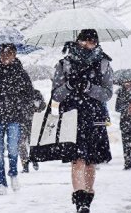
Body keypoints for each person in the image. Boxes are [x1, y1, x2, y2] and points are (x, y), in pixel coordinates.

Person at [51, 29, 113, 213]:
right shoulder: (65, 64)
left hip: (95, 116)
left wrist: (88, 87)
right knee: (77, 160)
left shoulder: (103, 64)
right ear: (77, 41)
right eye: (84, 41)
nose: (88, 44)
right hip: (72, 116)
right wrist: (69, 86)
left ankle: (88, 197)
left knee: (91, 161)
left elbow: (107, 94)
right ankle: (80, 201)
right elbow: (55, 94)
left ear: (97, 43)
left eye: (92, 41)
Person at [0, 43, 34, 195]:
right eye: (2, 54)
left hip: (14, 117)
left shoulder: (21, 73)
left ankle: (14, 174)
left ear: (15, 54)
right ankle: (1, 183)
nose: (5, 57)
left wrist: (5, 92)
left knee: (13, 149)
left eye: (8, 54)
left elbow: (29, 94)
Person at [19, 89, 46, 173]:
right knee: (21, 144)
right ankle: (25, 164)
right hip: (21, 122)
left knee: (31, 142)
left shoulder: (35, 93)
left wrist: (36, 109)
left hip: (32, 121)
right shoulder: (17, 93)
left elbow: (43, 105)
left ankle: (33, 160)